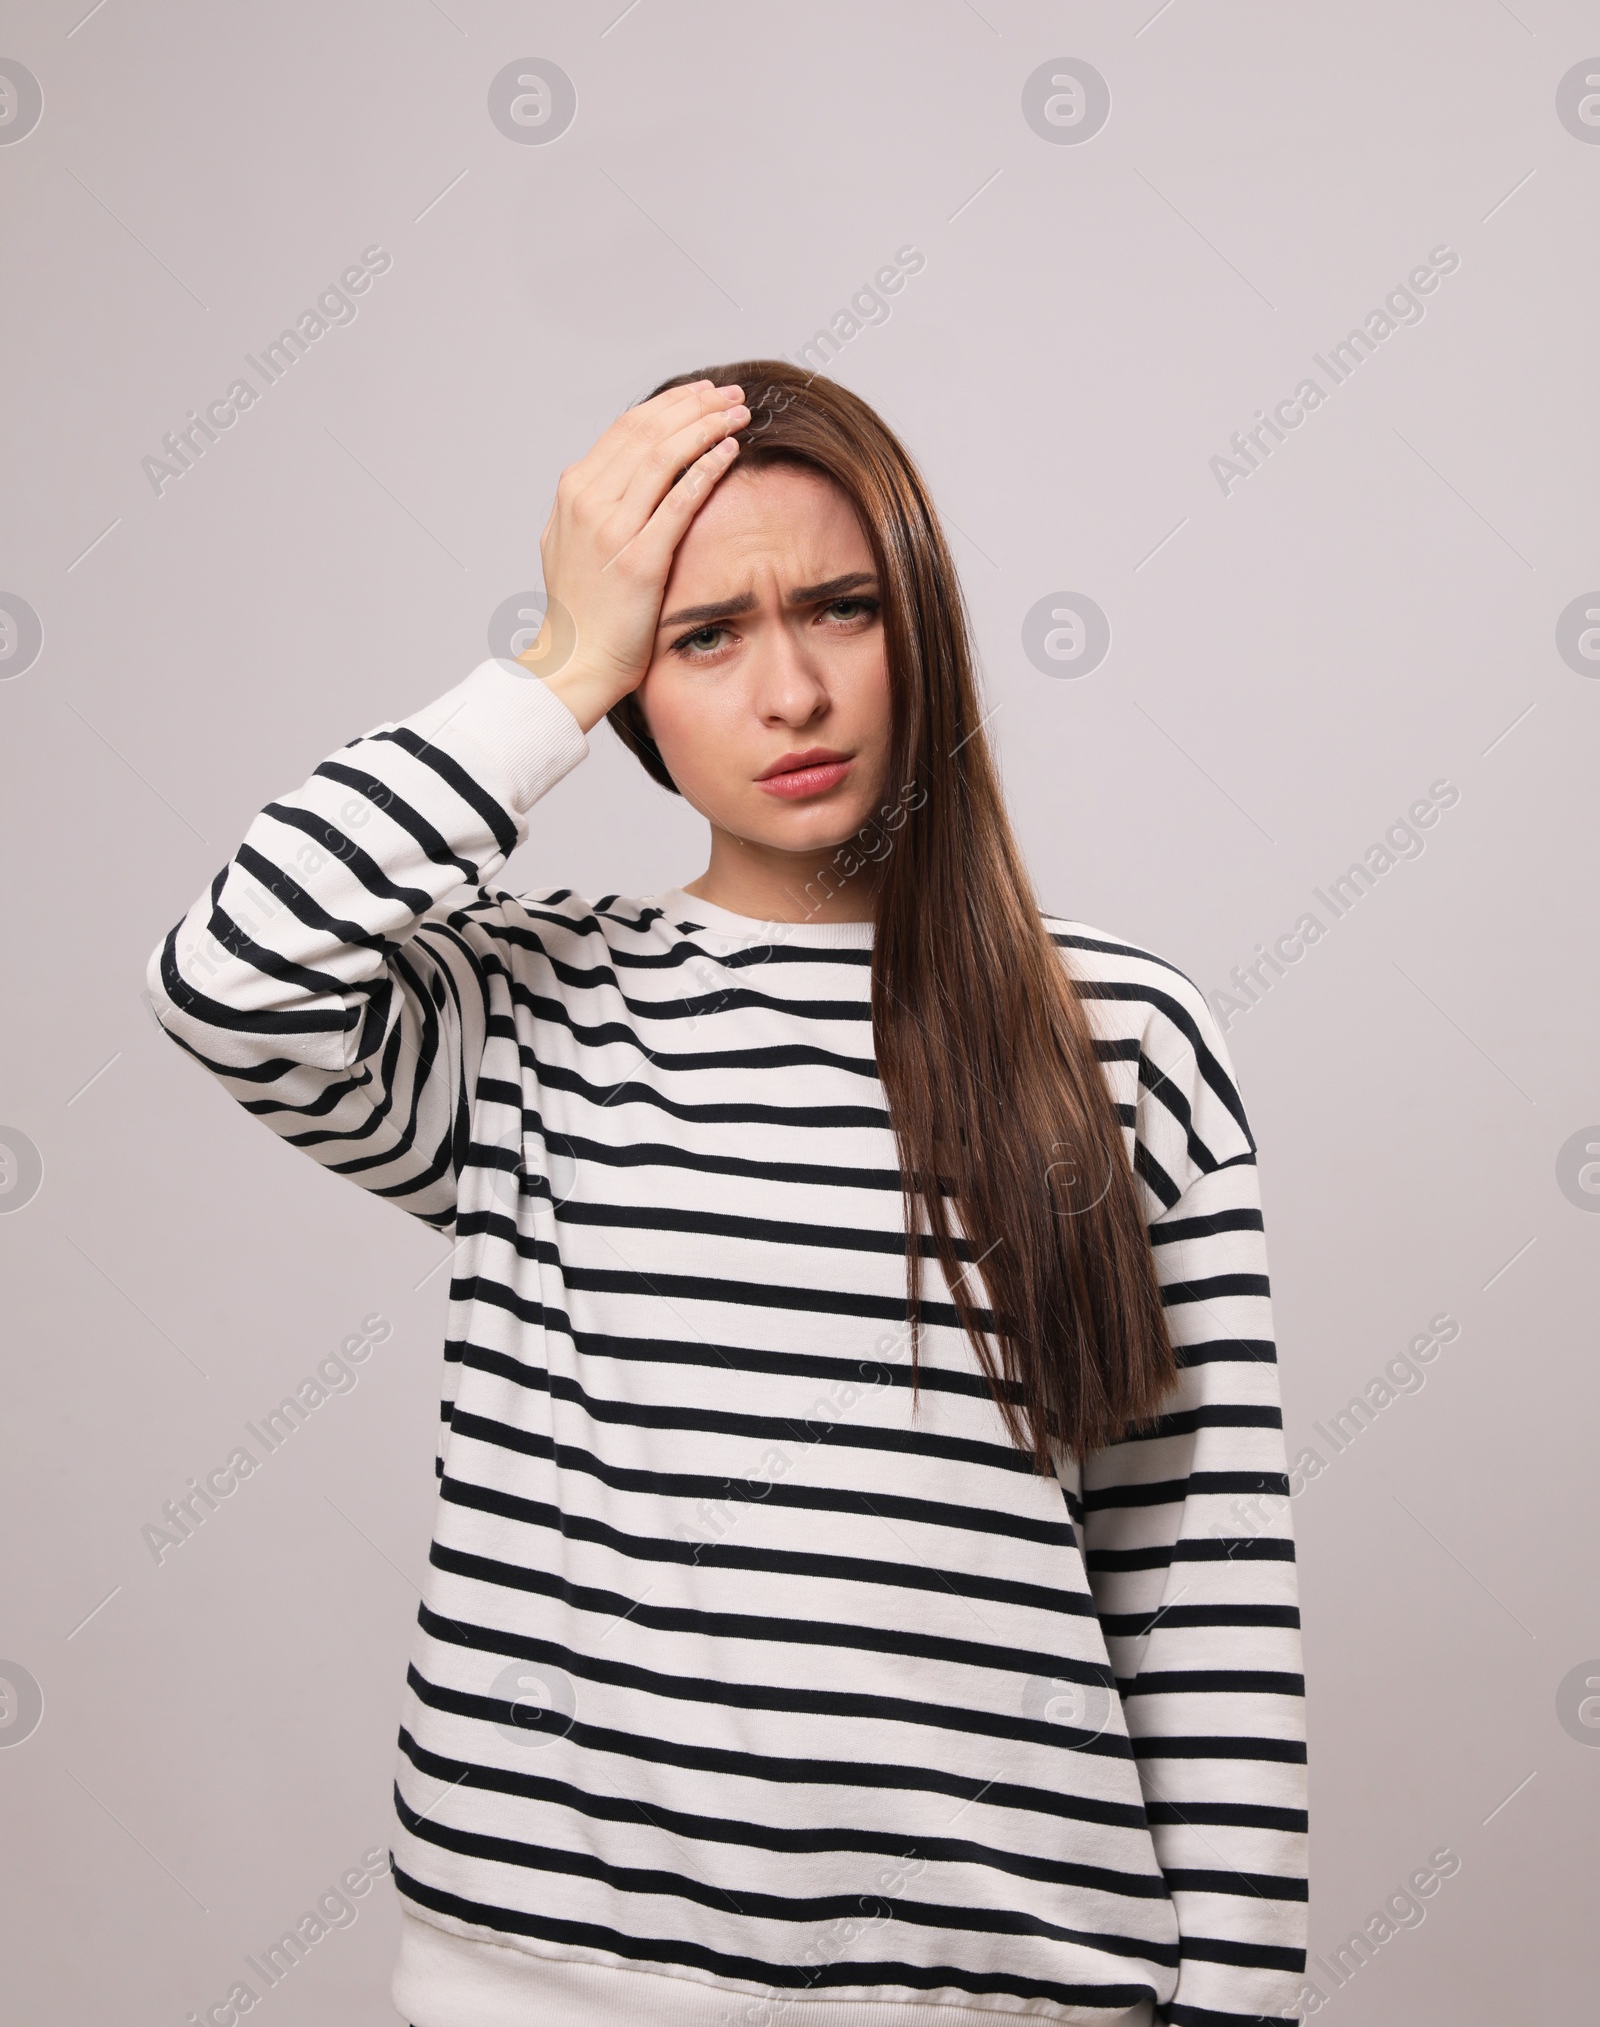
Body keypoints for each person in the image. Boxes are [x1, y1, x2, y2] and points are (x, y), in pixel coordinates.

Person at [146, 362, 1308, 2027]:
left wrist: (1239, 2005)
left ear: (925, 625)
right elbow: (229, 979)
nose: (791, 692)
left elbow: (1200, 1586)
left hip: (1008, 1993)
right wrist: (553, 668)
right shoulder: (529, 1016)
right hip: (542, 1985)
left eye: (842, 608)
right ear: (634, 690)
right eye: (701, 636)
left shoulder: (1118, 1037)